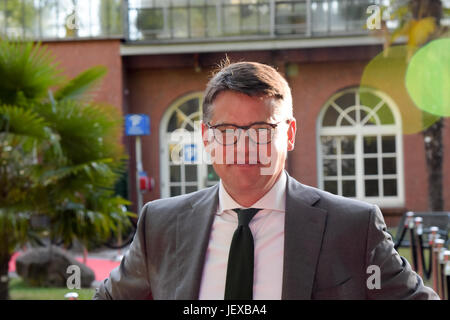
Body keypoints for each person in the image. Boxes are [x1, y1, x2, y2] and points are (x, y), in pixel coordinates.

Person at [94, 61, 438, 300]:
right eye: (227, 130)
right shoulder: (161, 223)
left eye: (261, 130)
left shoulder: (352, 226)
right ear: (206, 137)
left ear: (288, 134)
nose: (244, 146)